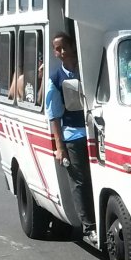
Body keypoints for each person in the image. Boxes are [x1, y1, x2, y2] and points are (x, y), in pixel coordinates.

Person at [45, 32, 96, 242]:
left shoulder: (88, 70)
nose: (62, 52)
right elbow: (53, 115)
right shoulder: (56, 78)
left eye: (65, 47)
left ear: (74, 47)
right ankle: (88, 225)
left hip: (95, 133)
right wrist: (60, 147)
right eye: (57, 49)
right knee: (80, 181)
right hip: (73, 135)